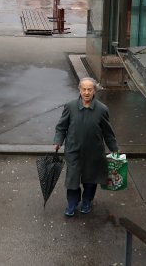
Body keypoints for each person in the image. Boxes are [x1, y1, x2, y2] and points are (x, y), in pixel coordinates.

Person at [53, 77, 118, 217]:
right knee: (72, 179)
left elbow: (108, 132)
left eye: (90, 89)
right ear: (79, 90)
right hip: (73, 151)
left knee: (90, 179)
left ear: (94, 91)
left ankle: (87, 201)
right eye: (84, 89)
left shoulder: (102, 109)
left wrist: (114, 148)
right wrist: (58, 140)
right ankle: (72, 202)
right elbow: (61, 127)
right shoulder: (70, 107)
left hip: (94, 153)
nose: (87, 92)